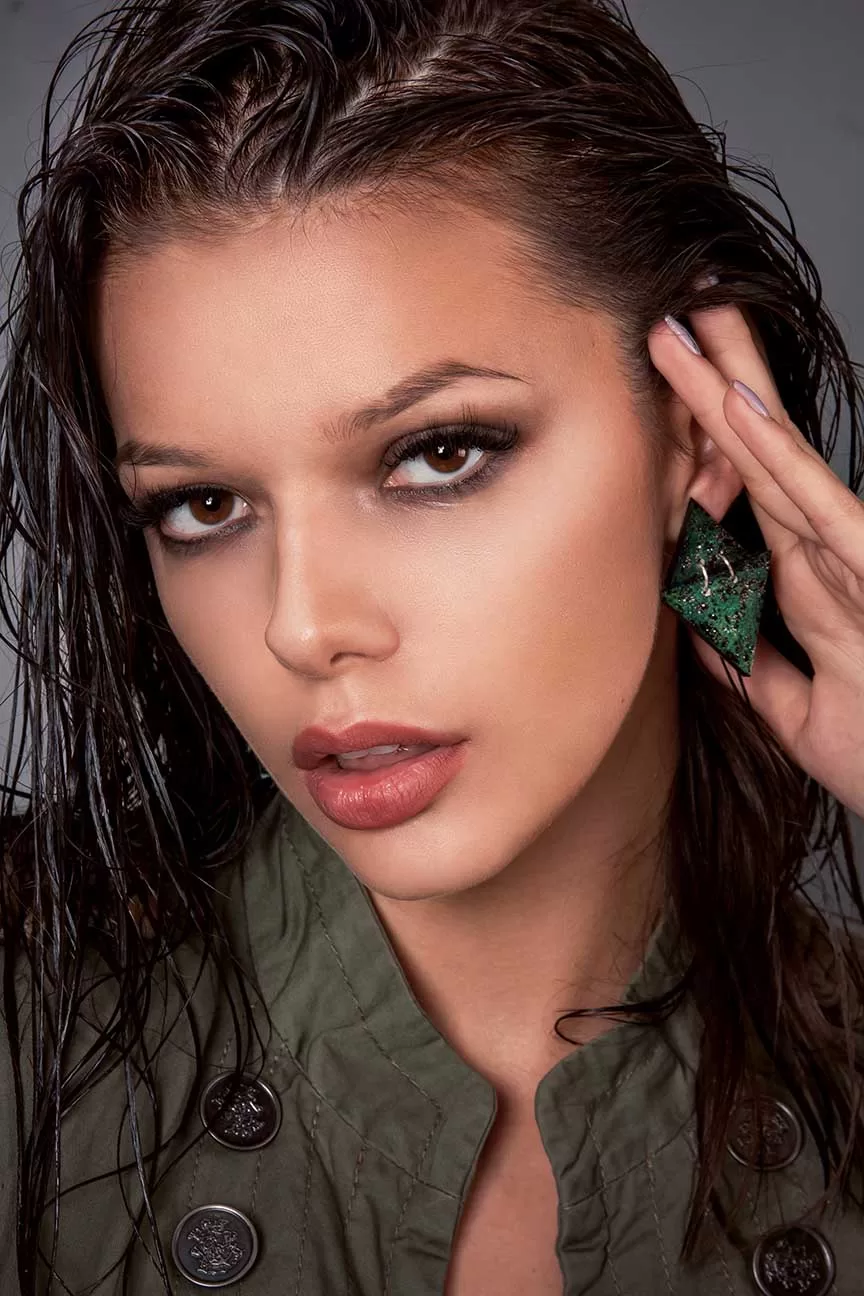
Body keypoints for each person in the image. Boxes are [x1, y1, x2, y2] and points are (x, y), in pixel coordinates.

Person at [1, 0, 863, 1292]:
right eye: (204, 506)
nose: (301, 625)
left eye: (439, 454)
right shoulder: (30, 1055)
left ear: (695, 432)